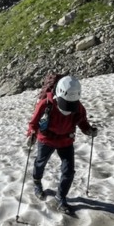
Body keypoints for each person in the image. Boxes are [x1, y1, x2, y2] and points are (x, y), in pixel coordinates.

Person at [26, 75, 97, 212]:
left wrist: (88, 130)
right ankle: (37, 183)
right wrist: (31, 134)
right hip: (47, 139)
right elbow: (33, 123)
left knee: (68, 171)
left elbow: (82, 121)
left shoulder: (78, 107)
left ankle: (61, 197)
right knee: (40, 162)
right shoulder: (45, 103)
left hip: (66, 141)